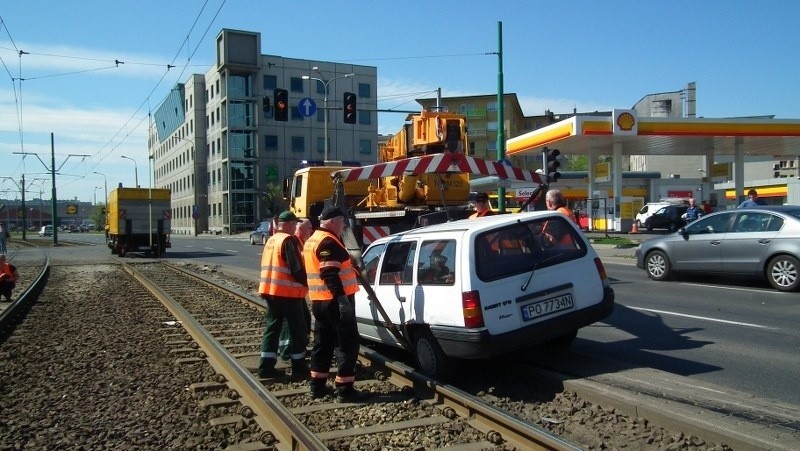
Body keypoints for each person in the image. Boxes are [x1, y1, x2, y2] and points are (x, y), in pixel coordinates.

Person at [304, 206, 369, 402]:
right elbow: (329, 273)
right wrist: (342, 300)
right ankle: (345, 389)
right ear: (333, 221)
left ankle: (317, 386)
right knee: (346, 345)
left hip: (320, 302)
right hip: (335, 302)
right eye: (342, 222)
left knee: (323, 344)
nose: (343, 227)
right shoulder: (328, 241)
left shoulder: (313, 240)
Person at [257, 210, 309, 379]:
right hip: (288, 294)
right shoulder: (288, 240)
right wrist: (309, 283)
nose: (295, 227)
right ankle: (299, 367)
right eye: (294, 224)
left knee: (272, 329)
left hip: (270, 292)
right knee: (297, 330)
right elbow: (296, 269)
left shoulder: (271, 240)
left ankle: (265, 367)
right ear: (287, 225)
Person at [278, 216, 313, 362]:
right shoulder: (293, 243)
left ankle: (299, 348)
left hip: (294, 290)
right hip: (288, 290)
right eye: (309, 227)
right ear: (301, 229)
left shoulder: (300, 242)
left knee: (304, 319)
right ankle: (288, 351)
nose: (311, 230)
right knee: (291, 322)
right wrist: (308, 282)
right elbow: (296, 269)